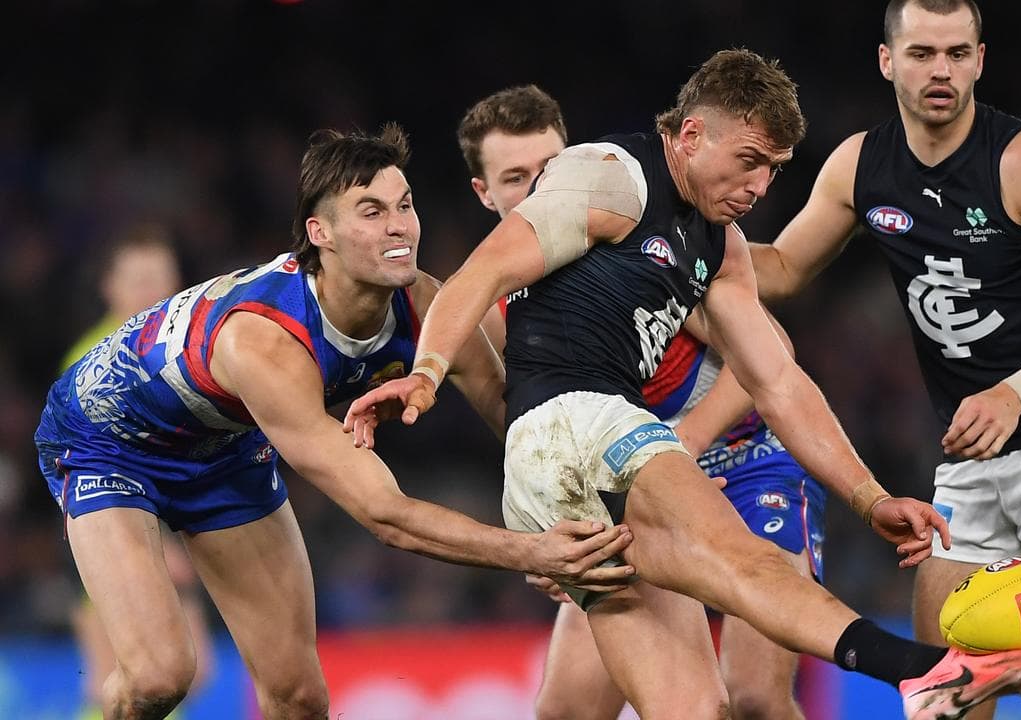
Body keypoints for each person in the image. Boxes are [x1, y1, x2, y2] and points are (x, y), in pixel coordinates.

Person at [348, 50, 1021, 720]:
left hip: (582, 467)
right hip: (587, 425)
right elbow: (481, 273)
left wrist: (871, 497)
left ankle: (925, 675)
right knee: (744, 568)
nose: (761, 186)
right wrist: (425, 374)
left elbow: (778, 379)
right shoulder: (609, 174)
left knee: (696, 709)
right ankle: (923, 672)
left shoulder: (719, 246)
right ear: (692, 135)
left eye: (775, 169)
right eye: (750, 161)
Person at [34, 124, 635, 720]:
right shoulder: (265, 344)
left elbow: (513, 413)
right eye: (371, 212)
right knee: (160, 677)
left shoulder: (424, 302)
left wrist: (586, 509)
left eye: (404, 206)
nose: (398, 225)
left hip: (223, 446)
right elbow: (387, 516)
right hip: (108, 443)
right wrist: (534, 552)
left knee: (300, 699)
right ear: (320, 234)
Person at [747, 2, 1021, 718]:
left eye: (958, 54)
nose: (941, 71)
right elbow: (778, 269)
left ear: (980, 61)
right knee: (948, 697)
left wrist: (1015, 393)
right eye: (923, 53)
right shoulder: (861, 166)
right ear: (887, 61)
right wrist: (676, 234)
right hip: (970, 463)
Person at [457, 84, 828, 720]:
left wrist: (686, 444)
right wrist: (556, 531)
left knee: (757, 698)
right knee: (566, 711)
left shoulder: (628, 238)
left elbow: (772, 357)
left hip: (746, 464)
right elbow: (537, 436)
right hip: (637, 497)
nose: (536, 187)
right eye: (514, 178)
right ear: (484, 194)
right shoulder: (495, 318)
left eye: (548, 168)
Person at [60, 228, 215, 720]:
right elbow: (87, 473)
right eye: (139, 279)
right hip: (108, 531)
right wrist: (163, 546)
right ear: (110, 287)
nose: (153, 292)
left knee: (192, 673)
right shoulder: (92, 364)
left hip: (174, 528)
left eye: (162, 279)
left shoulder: (186, 351)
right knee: (131, 678)